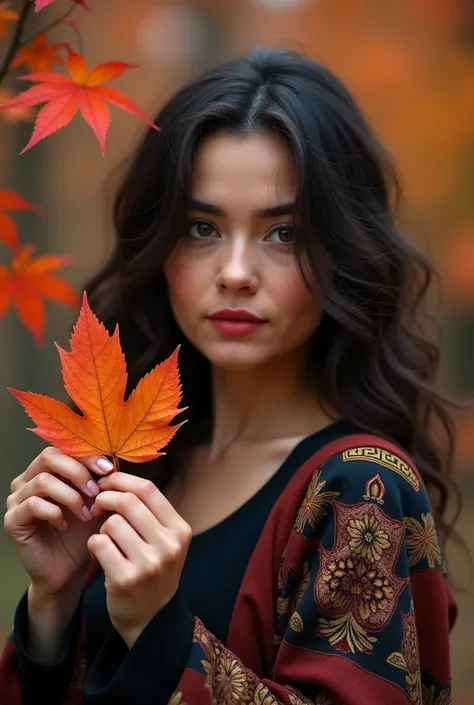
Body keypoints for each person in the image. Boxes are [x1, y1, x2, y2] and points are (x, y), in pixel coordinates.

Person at [0, 47, 459, 705]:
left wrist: (162, 632)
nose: (236, 271)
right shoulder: (139, 467)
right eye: (201, 226)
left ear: (342, 249)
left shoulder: (363, 486)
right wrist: (51, 607)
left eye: (282, 234)